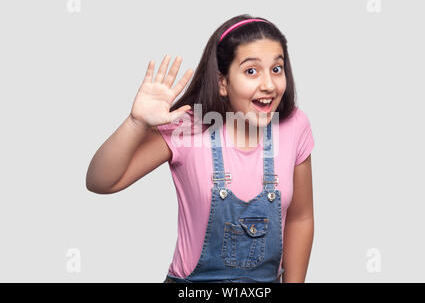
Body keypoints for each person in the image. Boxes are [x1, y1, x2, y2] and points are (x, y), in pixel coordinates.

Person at [86, 14, 315, 283]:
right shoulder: (188, 127)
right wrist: (135, 123)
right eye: (251, 71)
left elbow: (300, 218)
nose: (268, 84)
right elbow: (101, 181)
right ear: (222, 82)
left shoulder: (294, 125)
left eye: (276, 69)